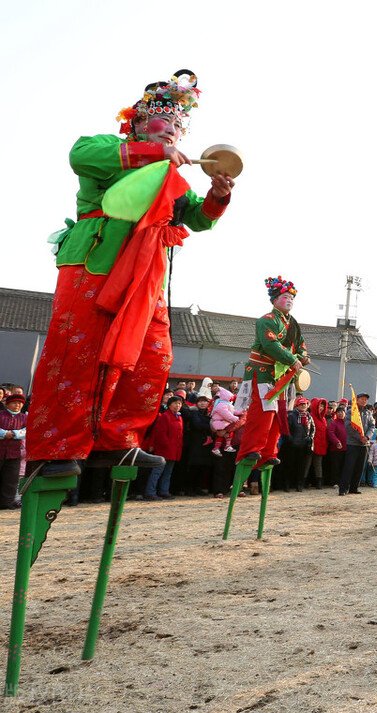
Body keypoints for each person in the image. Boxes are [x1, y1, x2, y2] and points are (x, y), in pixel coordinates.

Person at [25, 70, 234, 479]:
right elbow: (79, 156)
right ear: (138, 123)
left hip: (146, 273)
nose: (172, 129)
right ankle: (55, 449)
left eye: (178, 125)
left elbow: (197, 218)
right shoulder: (108, 147)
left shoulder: (173, 176)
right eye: (164, 121)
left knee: (152, 357)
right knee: (78, 352)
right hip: (96, 262)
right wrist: (155, 154)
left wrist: (217, 196)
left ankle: (118, 442)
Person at [234, 277, 309, 489]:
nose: (289, 300)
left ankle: (268, 452)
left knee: (279, 414)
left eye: (291, 298)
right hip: (263, 372)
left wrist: (302, 356)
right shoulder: (266, 320)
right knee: (262, 412)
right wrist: (293, 359)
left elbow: (300, 345)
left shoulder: (292, 323)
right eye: (285, 297)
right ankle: (251, 450)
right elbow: (270, 344)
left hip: (281, 375)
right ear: (275, 300)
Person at [144, 396, 184, 500]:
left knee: (168, 472)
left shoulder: (179, 417)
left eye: (179, 404)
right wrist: (167, 446)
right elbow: (160, 434)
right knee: (157, 471)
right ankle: (150, 492)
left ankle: (164, 491)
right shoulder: (165, 416)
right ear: (169, 405)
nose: (177, 405)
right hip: (164, 449)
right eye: (175, 403)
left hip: (174, 449)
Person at [339, 393, 373, 495]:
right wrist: (360, 437)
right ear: (356, 400)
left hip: (364, 444)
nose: (364, 401)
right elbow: (348, 426)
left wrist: (367, 437)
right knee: (349, 467)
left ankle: (354, 488)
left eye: (365, 399)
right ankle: (343, 489)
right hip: (353, 443)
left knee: (360, 467)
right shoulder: (351, 411)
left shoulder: (368, 413)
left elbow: (372, 426)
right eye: (362, 399)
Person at [0, 393, 28, 509]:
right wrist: (4, 433)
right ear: (7, 404)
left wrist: (15, 434)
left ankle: (6, 502)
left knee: (11, 479)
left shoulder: (24, 417)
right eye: (14, 402)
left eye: (20, 403)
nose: (17, 405)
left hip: (14, 453)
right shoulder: (1, 415)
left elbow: (27, 430)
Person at [284, 397, 315, 492]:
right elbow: (287, 429)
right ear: (297, 405)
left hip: (304, 445)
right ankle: (287, 485)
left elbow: (313, 428)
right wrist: (291, 439)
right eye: (301, 404)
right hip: (293, 445)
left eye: (305, 404)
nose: (303, 406)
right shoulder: (292, 415)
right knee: (290, 465)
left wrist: (310, 437)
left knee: (302, 466)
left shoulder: (309, 416)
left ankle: (299, 485)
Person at [309, 398, 329, 488]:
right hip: (311, 444)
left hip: (320, 445)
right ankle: (302, 482)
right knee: (307, 464)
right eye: (319, 405)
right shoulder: (310, 416)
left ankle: (319, 483)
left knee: (318, 464)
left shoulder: (323, 419)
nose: (321, 407)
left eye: (323, 406)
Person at [326, 405, 348, 488]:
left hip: (346, 448)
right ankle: (335, 482)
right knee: (336, 466)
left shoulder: (348, 423)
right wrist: (337, 442)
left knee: (344, 466)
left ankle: (343, 481)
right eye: (338, 412)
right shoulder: (333, 423)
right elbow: (330, 433)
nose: (340, 414)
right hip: (336, 448)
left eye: (342, 412)